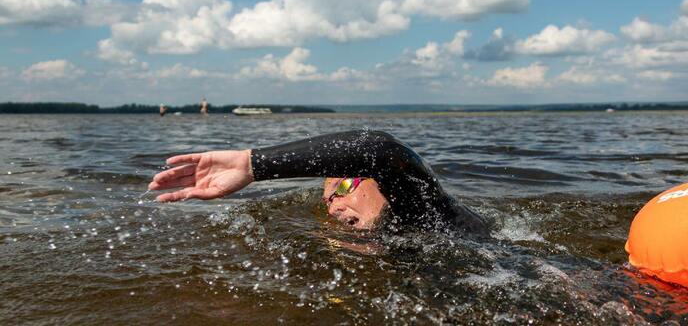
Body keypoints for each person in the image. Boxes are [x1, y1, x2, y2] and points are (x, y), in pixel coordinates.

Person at [148, 130, 488, 236]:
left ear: (380, 185)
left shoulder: (429, 217)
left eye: (342, 188)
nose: (335, 205)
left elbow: (384, 151)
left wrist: (253, 165)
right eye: (327, 202)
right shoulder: (391, 239)